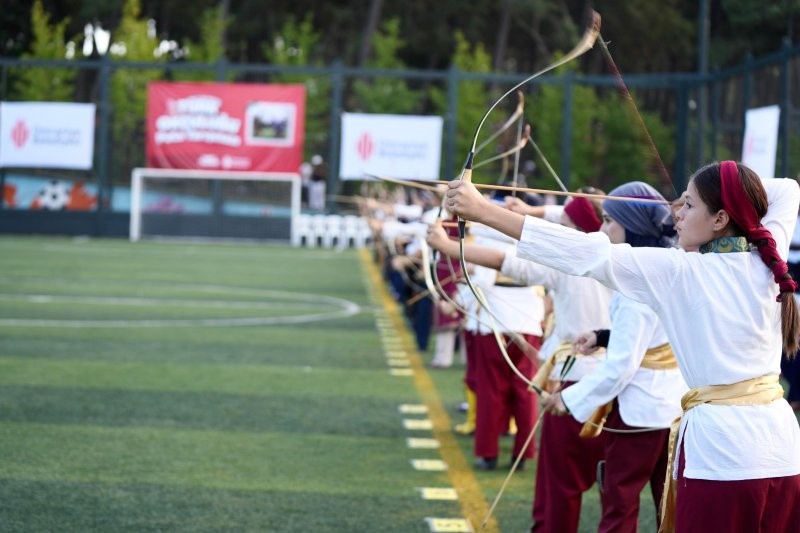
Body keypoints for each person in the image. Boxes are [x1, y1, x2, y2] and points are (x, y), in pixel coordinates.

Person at [445, 161, 800, 532]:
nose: (676, 212)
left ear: (720, 219)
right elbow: (786, 188)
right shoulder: (764, 254)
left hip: (725, 454)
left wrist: (483, 211)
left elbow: (583, 253)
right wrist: (715, 192)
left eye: (689, 205)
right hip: (783, 448)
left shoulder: (678, 271)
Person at [428, 193, 613, 532]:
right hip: (622, 385)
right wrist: (532, 211)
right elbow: (587, 210)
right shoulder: (634, 259)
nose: (559, 228)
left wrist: (451, 247)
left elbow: (507, 260)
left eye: (565, 226)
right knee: (616, 493)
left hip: (576, 382)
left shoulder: (573, 263)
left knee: (560, 486)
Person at [545, 181, 688, 532]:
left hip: (640, 414)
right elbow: (657, 334)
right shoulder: (674, 268)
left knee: (619, 506)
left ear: (633, 227)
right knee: (670, 508)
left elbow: (622, 367)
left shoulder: (635, 289)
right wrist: (604, 336)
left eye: (609, 220)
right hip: (675, 409)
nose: (603, 228)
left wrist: (568, 397)